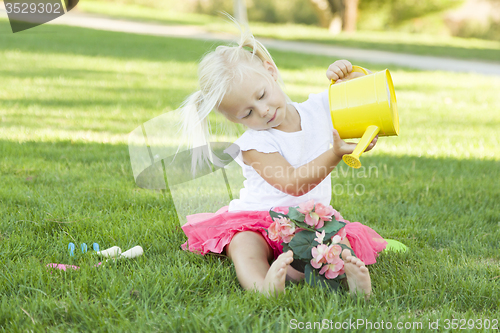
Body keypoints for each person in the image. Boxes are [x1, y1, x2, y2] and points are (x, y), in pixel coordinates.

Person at [179, 25, 386, 298]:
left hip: (311, 220)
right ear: (235, 119)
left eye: (262, 95)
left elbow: (363, 98)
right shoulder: (254, 144)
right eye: (247, 113)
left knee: (336, 240)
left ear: (271, 71)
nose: (263, 111)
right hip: (259, 222)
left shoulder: (319, 108)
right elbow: (293, 184)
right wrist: (337, 153)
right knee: (243, 245)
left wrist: (349, 75)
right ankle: (261, 284)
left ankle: (349, 279)